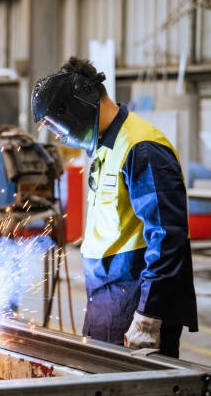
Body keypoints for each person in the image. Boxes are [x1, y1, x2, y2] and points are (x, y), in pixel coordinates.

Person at [31, 57, 197, 358]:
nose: (58, 135)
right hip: (110, 297)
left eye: (56, 124)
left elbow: (167, 236)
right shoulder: (107, 145)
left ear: (79, 105)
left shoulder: (142, 147)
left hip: (135, 302)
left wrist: (148, 316)